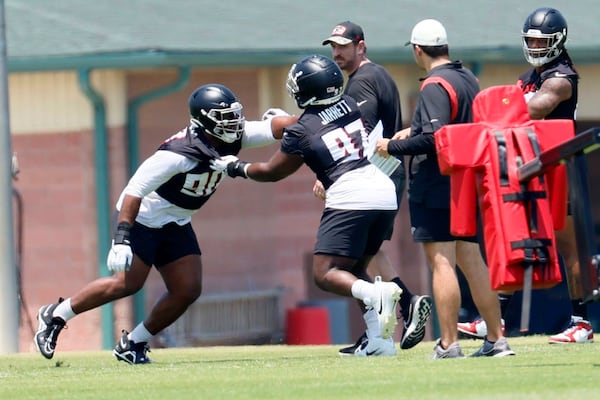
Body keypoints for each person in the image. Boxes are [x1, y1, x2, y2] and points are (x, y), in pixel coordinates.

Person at [34, 83, 296, 364]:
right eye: (225, 118)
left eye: (235, 115)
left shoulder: (235, 135)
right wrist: (121, 238)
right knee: (127, 283)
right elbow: (133, 192)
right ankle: (55, 315)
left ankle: (133, 343)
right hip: (142, 217)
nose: (235, 123)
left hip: (176, 220)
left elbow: (286, 126)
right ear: (205, 121)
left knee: (187, 289)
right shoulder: (176, 154)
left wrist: (293, 124)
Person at [211, 54, 403, 356]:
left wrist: (235, 167)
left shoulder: (302, 129)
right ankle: (378, 341)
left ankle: (376, 293)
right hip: (382, 189)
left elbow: (273, 172)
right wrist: (291, 125)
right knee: (352, 270)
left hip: (350, 194)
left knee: (325, 273)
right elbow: (320, 124)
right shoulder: (350, 106)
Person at [375, 19, 514, 358]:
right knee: (471, 259)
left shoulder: (434, 85)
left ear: (417, 50)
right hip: (466, 182)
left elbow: (436, 139)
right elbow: (455, 127)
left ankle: (449, 344)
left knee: (442, 263)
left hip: (438, 184)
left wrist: (390, 146)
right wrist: (414, 129)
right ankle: (497, 339)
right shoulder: (468, 78)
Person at [456, 7, 593, 344]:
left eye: (541, 40)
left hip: (562, 168)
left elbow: (536, 107)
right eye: (530, 39)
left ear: (558, 41)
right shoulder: (530, 75)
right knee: (521, 241)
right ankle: (496, 319)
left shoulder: (561, 77)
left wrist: (493, 106)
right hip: (535, 167)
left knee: (569, 248)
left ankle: (582, 323)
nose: (534, 45)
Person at [319, 20, 432, 355]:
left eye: (343, 46)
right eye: (333, 47)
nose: (336, 53)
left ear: (361, 46)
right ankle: (402, 308)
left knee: (347, 259)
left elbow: (360, 133)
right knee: (367, 253)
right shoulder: (377, 76)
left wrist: (329, 175)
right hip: (385, 175)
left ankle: (395, 314)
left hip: (370, 176)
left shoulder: (364, 80)